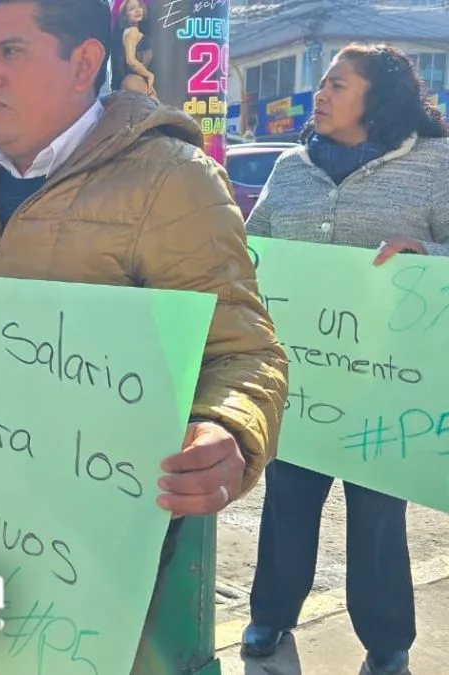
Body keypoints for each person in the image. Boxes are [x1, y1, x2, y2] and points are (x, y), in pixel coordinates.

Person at [0, 0, 289, 672]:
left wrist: (230, 430)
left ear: (85, 64)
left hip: (106, 570)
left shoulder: (170, 180)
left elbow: (245, 352)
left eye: (11, 51)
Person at [242, 43, 449, 675]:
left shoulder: (435, 164)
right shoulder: (290, 167)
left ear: (377, 97)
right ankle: (271, 615)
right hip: (299, 382)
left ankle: (388, 643)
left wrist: (429, 254)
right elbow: (256, 248)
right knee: (285, 503)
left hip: (389, 381)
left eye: (336, 84)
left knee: (378, 519)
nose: (319, 96)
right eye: (322, 84)